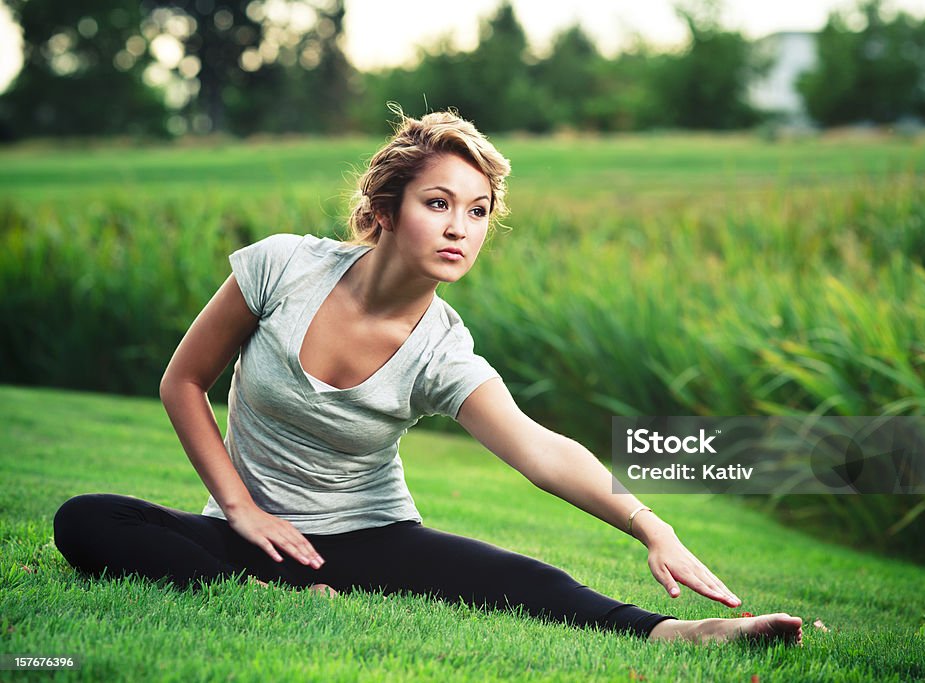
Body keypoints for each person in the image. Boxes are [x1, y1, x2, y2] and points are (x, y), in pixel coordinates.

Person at [53, 109, 802, 646]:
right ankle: (258, 587)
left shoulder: (442, 351)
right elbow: (183, 382)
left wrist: (650, 523)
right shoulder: (283, 266)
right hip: (251, 533)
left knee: (523, 577)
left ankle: (682, 632)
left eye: (477, 212)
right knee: (86, 518)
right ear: (385, 210)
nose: (459, 228)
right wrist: (239, 506)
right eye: (438, 204)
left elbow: (539, 449)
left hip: (371, 535)